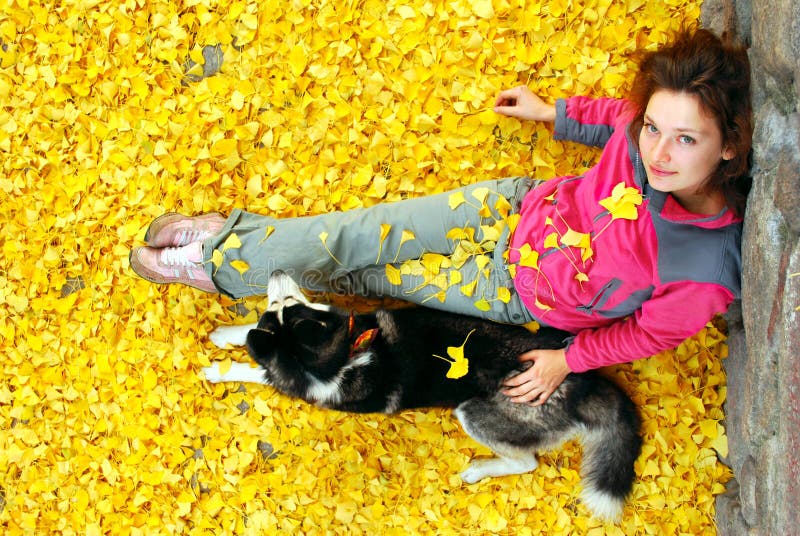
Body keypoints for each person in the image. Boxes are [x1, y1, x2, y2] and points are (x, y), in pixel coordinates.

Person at [131, 27, 752, 405]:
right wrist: (553, 113)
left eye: (686, 140)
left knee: (369, 283)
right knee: (352, 236)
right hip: (506, 210)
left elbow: (645, 334)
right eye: (654, 130)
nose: (658, 154)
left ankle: (234, 247)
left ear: (728, 145)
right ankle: (225, 256)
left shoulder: (700, 269)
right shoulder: (643, 136)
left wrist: (569, 359)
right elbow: (617, 118)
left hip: (512, 291)